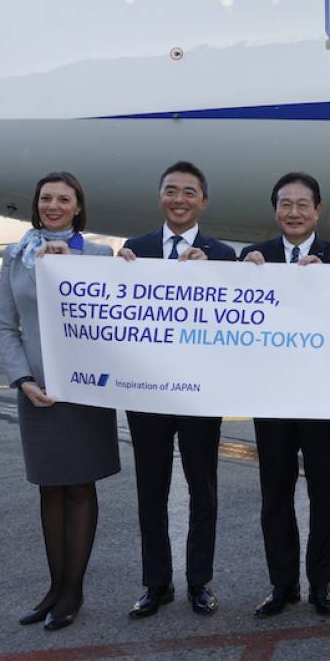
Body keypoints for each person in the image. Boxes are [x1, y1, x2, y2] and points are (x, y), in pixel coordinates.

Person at [0, 172, 119, 631]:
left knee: (80, 487)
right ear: (36, 204)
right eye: (45, 198)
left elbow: (119, 317)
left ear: (78, 207)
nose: (53, 205)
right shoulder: (16, 256)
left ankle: (73, 591)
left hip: (84, 389)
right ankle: (54, 586)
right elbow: (6, 326)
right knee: (50, 487)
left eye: (63, 199)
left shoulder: (100, 255)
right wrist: (22, 379)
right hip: (38, 389)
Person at [118, 161, 237, 619]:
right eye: (172, 190)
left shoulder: (223, 254)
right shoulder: (135, 249)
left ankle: (199, 582)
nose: (180, 199)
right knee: (151, 491)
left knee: (203, 491)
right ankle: (156, 584)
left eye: (190, 192)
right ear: (160, 196)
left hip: (198, 396)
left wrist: (215, 273)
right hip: (147, 393)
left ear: (203, 201)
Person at [239, 172, 330, 619]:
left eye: (303, 204)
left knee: (326, 494)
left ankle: (322, 583)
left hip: (324, 399)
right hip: (271, 399)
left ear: (318, 210)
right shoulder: (255, 259)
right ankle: (282, 583)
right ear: (275, 211)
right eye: (285, 204)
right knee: (275, 495)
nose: (294, 212)